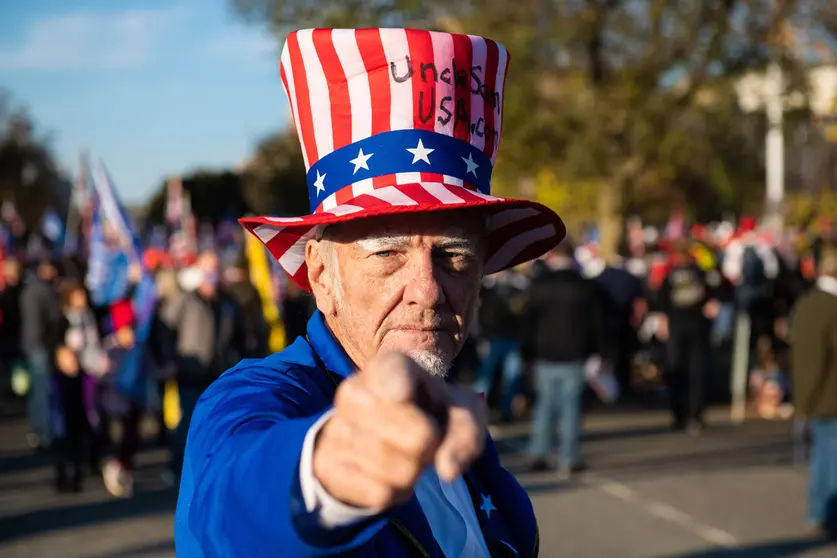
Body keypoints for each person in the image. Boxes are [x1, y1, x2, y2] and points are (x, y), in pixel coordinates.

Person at [174, 28, 565, 557]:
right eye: (387, 254)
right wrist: (334, 466)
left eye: (455, 257)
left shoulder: (469, 446)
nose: (427, 290)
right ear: (320, 275)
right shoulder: (258, 398)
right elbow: (230, 508)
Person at [522, 240, 607, 477]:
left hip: (545, 353)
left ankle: (538, 453)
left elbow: (528, 322)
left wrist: (526, 353)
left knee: (544, 406)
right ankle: (568, 459)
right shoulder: (584, 287)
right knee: (571, 409)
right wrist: (600, 351)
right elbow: (597, 324)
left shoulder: (539, 285)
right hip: (575, 353)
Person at [791, 244, 837, 539]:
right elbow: (812, 359)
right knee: (829, 458)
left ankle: (820, 513)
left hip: (823, 395)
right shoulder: (823, 306)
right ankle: (823, 514)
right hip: (828, 396)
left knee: (826, 455)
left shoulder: (812, 304)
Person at [657, 240, 720, 434]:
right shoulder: (699, 274)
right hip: (692, 327)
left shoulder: (674, 276)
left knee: (683, 372)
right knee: (690, 373)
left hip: (684, 328)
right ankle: (691, 416)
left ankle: (685, 415)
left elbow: (662, 302)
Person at [20, 250, 61, 450]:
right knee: (43, 390)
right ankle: (43, 431)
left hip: (31, 342)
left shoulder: (28, 289)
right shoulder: (44, 290)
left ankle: (37, 428)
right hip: (41, 344)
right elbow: (54, 318)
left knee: (37, 390)